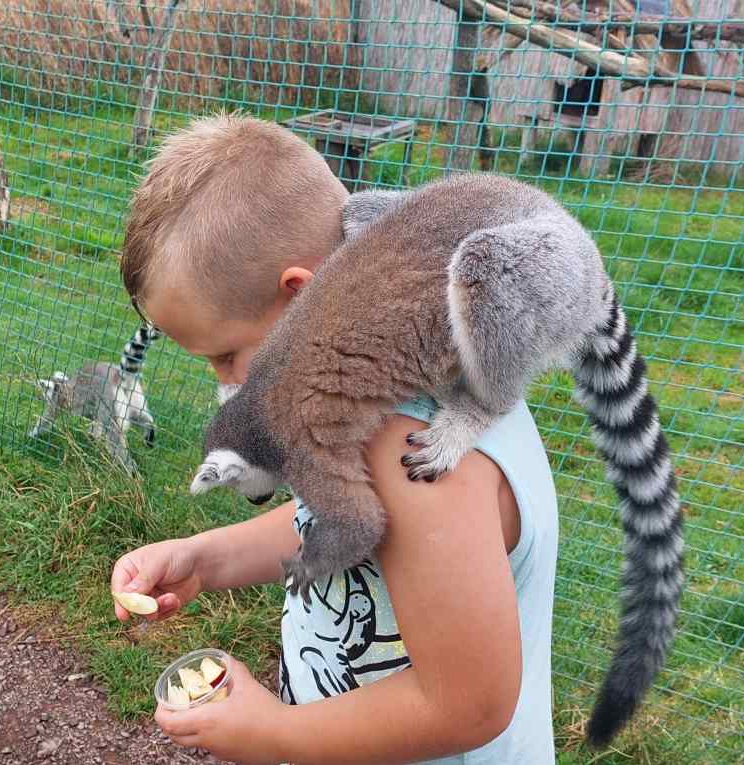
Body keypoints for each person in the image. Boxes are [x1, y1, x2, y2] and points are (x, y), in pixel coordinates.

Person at [112, 112, 559, 764]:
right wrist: (204, 559)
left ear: (300, 298)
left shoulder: (407, 445)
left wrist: (273, 734)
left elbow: (471, 700)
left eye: (228, 355)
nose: (226, 384)